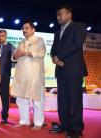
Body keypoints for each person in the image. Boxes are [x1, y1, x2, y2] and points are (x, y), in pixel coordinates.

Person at [49, 5, 87, 137]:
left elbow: (76, 44)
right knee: (63, 100)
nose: (58, 17)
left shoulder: (79, 26)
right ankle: (64, 125)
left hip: (74, 69)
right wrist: (54, 58)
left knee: (75, 101)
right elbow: (53, 49)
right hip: (60, 70)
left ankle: (76, 129)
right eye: (57, 14)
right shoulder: (57, 32)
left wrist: (60, 56)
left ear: (69, 14)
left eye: (61, 14)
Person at [11, 21, 46, 130]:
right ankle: (24, 120)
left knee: (37, 99)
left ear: (33, 29)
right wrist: (15, 56)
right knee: (21, 99)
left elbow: (41, 53)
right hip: (22, 74)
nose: (24, 30)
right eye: (23, 28)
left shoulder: (39, 40)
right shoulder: (21, 42)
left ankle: (38, 122)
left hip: (34, 75)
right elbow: (14, 57)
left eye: (26, 28)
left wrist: (24, 53)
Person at [0, 29, 15, 124]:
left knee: (5, 97)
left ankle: (5, 117)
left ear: (6, 37)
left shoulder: (11, 47)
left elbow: (14, 60)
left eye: (2, 36)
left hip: (5, 76)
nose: (0, 37)